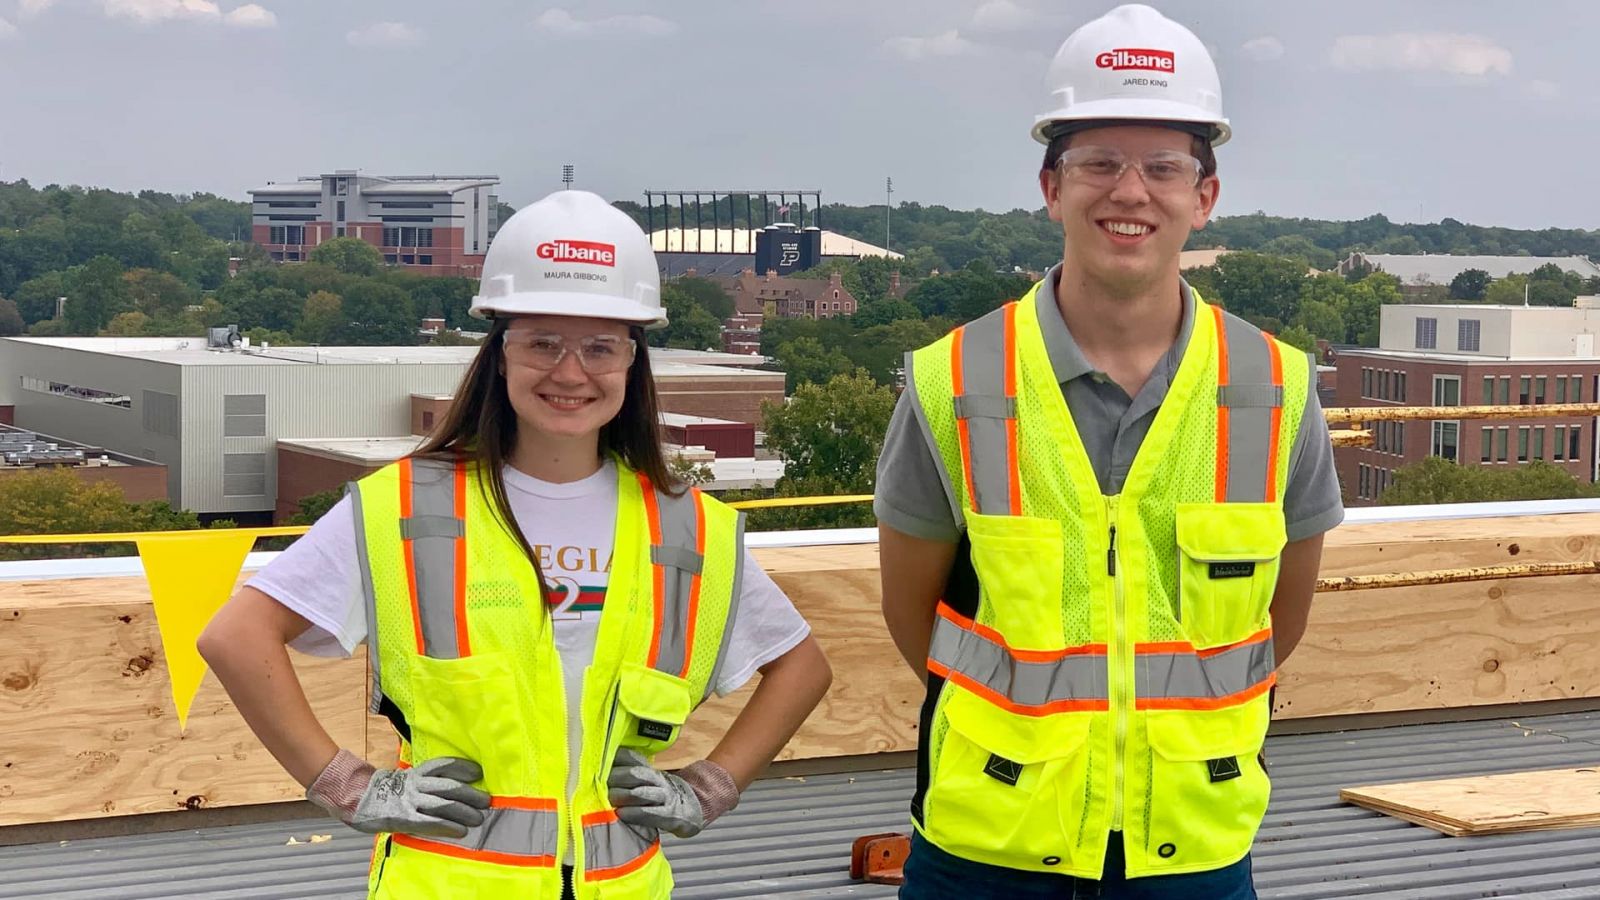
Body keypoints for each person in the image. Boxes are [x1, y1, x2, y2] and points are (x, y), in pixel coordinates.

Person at [199, 189, 832, 899]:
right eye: (541, 343)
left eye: (600, 346)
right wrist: (343, 784)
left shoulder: (686, 528)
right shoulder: (410, 508)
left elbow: (802, 668)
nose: (570, 372)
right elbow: (236, 636)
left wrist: (712, 786)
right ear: (499, 355)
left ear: (633, 359)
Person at [873, 5, 1343, 898]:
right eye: (1099, 163)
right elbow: (914, 620)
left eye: (1164, 167)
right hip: (987, 852)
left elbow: (1278, 626)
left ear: (1203, 197)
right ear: (1052, 187)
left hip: (1194, 856)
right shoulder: (954, 382)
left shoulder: (1276, 389)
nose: (1130, 192)